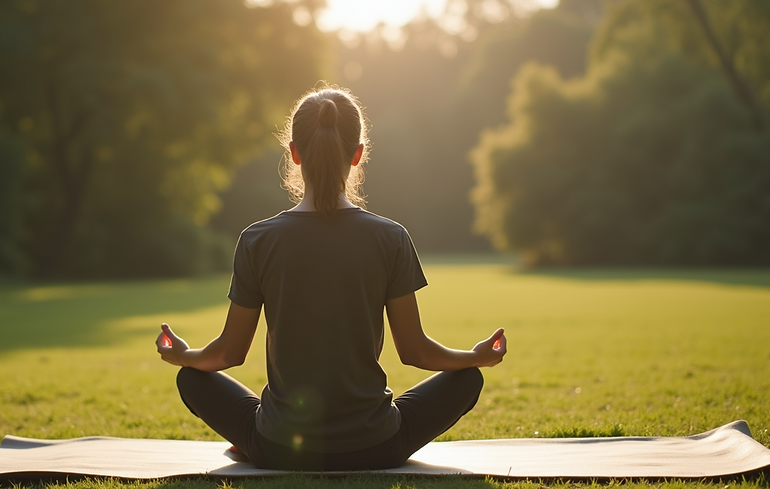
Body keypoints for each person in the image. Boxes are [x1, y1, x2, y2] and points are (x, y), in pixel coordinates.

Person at [156, 85, 507, 471]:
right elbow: (415, 352)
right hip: (377, 446)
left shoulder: (257, 239)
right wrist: (475, 357)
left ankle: (257, 434)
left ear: (293, 153)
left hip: (279, 447)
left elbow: (229, 354)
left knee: (192, 379)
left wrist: (182, 355)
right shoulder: (391, 237)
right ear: (358, 156)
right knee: (467, 379)